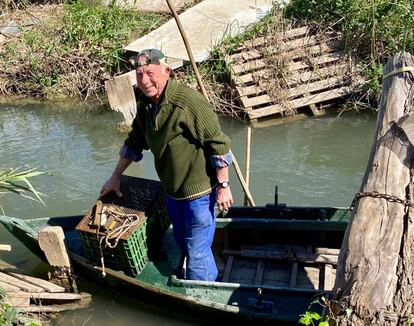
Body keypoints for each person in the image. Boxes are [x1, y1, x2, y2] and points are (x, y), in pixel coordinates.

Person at [100, 48, 233, 281]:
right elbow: (134, 143)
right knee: (182, 241)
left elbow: (219, 145)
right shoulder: (146, 104)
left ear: (167, 71)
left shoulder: (187, 102)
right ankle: (199, 274)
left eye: (150, 73)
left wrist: (223, 185)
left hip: (199, 194)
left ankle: (200, 294)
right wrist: (115, 177)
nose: (145, 80)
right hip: (172, 192)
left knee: (197, 251)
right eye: (140, 75)